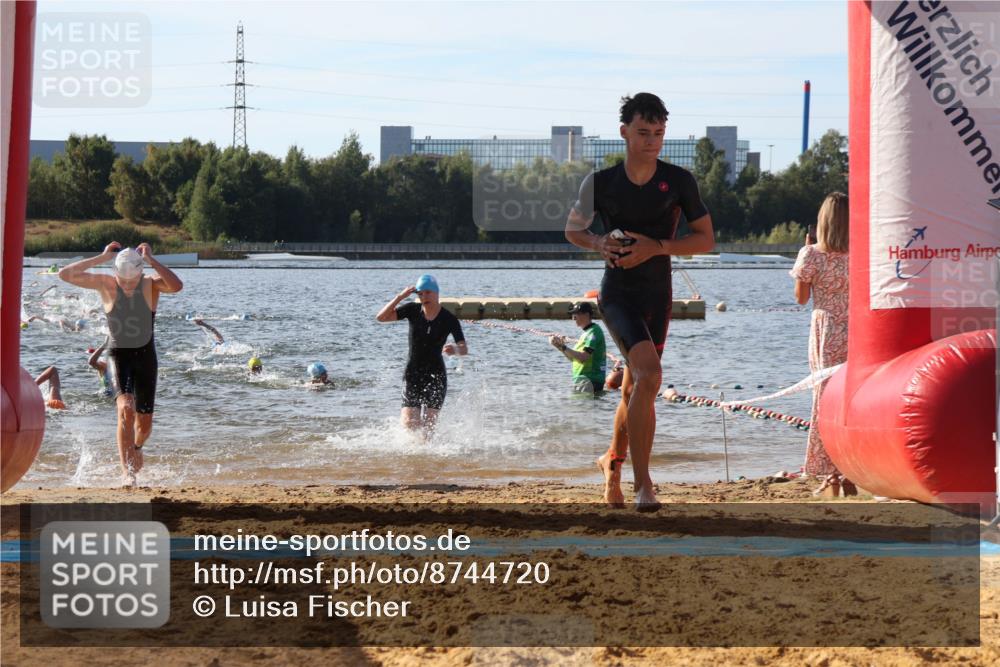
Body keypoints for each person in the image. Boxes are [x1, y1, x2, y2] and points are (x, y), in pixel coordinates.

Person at [565, 93, 715, 510]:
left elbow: (705, 240)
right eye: (644, 132)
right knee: (649, 376)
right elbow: (573, 229)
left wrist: (658, 247)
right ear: (624, 132)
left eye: (659, 133)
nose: (653, 141)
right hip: (618, 295)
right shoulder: (601, 182)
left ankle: (610, 464)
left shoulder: (679, 181)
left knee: (636, 388)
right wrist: (597, 241)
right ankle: (643, 483)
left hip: (658, 296)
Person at [58, 242, 184, 486]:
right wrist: (103, 257)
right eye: (122, 280)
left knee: (144, 425)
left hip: (146, 357)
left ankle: (136, 447)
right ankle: (127, 472)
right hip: (118, 355)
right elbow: (65, 274)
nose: (127, 285)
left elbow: (177, 286)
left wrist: (152, 260)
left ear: (140, 273)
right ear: (115, 272)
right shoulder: (106, 283)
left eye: (132, 280)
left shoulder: (151, 283)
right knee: (125, 408)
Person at [790, 192, 855, 497]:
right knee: (851, 399)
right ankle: (851, 467)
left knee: (824, 399)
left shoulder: (811, 254)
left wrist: (805, 252)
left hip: (826, 329)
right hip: (857, 328)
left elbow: (801, 299)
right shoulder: (860, 252)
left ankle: (829, 472)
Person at [376, 274, 468, 437]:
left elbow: (464, 349)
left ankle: (428, 458)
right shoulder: (412, 310)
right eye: (420, 294)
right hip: (412, 374)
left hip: (436, 375)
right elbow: (381, 318)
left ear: (436, 293)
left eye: (427, 293)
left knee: (428, 429)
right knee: (408, 424)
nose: (424, 297)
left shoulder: (449, 319)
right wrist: (400, 297)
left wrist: (454, 349)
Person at [549, 302, 607, 395]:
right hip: (583, 382)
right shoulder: (586, 333)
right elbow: (573, 359)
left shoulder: (593, 333)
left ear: (587, 315)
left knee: (582, 409)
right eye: (573, 314)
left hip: (591, 382)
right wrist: (559, 346)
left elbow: (583, 357)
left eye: (576, 314)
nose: (573, 317)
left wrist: (563, 347)